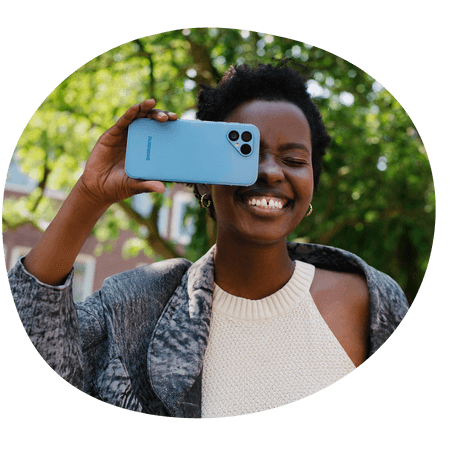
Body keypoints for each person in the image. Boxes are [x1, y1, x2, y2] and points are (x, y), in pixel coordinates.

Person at [8, 61, 409, 418]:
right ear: (203, 180)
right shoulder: (136, 305)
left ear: (311, 185)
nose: (270, 172)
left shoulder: (372, 302)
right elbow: (42, 341)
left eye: (293, 160)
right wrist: (88, 195)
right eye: (246, 154)